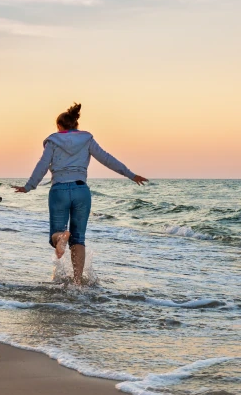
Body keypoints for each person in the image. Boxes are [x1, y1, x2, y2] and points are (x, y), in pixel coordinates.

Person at [14, 103, 148, 285]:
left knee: (56, 233)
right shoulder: (86, 139)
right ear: (75, 125)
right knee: (78, 238)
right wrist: (131, 175)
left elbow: (42, 165)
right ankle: (77, 282)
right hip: (81, 191)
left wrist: (29, 186)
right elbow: (107, 159)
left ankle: (61, 238)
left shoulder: (53, 141)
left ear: (59, 126)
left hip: (59, 190)